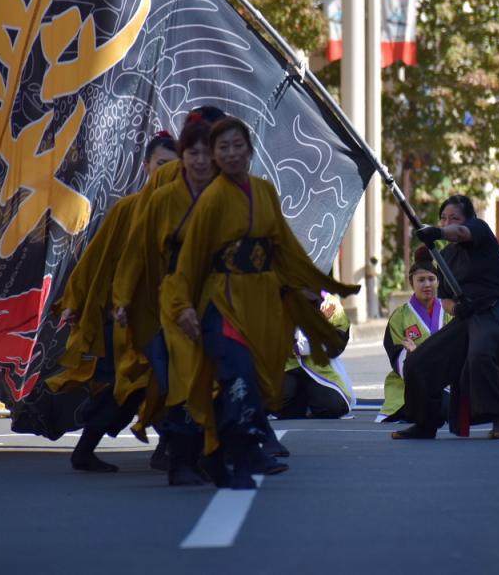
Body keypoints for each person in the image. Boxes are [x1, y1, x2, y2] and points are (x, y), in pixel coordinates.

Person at [164, 117, 359, 489]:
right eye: (223, 148)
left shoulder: (264, 191)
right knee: (238, 376)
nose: (232, 153)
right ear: (216, 156)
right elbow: (190, 260)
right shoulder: (211, 201)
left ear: (250, 150)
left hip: (262, 303)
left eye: (238, 145)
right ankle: (246, 450)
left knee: (254, 379)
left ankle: (218, 457)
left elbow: (282, 243)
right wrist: (183, 306)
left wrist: (305, 286)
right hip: (221, 301)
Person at [47, 132, 179, 472]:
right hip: (124, 317)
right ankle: (87, 450)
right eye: (162, 164)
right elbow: (97, 261)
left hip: (170, 315)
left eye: (175, 166)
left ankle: (169, 448)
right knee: (121, 387)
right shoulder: (127, 209)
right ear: (148, 166)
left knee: (170, 380)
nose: (168, 172)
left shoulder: (186, 210)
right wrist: (81, 304)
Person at [112, 119, 219, 485]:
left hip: (217, 302)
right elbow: (135, 255)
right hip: (170, 304)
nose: (201, 161)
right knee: (176, 381)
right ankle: (181, 461)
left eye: (208, 153)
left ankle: (210, 455)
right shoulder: (160, 200)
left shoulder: (229, 196)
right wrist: (122, 299)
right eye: (193, 153)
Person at [392, 195, 499, 440]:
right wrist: (456, 310)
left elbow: (459, 233)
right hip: (468, 316)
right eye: (443, 218)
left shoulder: (480, 232)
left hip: (498, 312)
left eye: (453, 218)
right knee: (418, 363)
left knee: (481, 350)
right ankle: (425, 423)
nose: (448, 222)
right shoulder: (445, 256)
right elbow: (445, 299)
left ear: (468, 219)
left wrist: (437, 231)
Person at [379, 246, 451, 423]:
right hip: (410, 381)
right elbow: (396, 352)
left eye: (431, 279)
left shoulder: (449, 310)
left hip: (446, 377)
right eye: (421, 280)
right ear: (412, 283)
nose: (427, 284)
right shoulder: (400, 316)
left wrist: (421, 352)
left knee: (446, 407)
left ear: (438, 282)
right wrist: (413, 356)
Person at [277, 293, 356, 419]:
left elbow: (336, 342)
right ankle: (301, 403)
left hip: (320, 370)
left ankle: (312, 402)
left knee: (334, 406)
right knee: (274, 405)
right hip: (285, 367)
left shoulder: (329, 302)